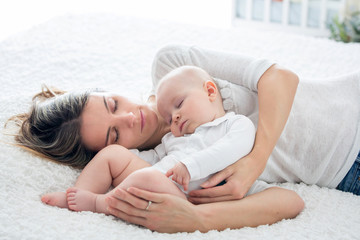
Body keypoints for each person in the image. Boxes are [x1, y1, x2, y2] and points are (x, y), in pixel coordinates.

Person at [7, 44, 360, 233]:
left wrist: (253, 163)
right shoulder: (163, 167)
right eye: (115, 133)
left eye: (112, 103)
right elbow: (284, 202)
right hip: (347, 177)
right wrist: (199, 221)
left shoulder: (173, 71)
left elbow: (281, 77)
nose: (130, 117)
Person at [41, 65, 260, 214]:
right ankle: (80, 193)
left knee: (148, 179)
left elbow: (230, 149)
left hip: (188, 196)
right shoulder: (175, 137)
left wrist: (191, 166)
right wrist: (125, 159)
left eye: (114, 104)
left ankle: (102, 204)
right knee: (112, 156)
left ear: (211, 92)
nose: (174, 117)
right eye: (115, 135)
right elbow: (157, 157)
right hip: (164, 180)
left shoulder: (236, 124)